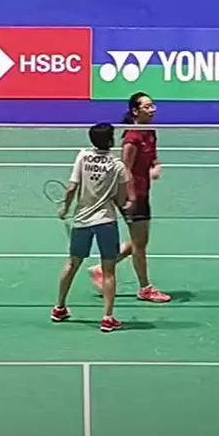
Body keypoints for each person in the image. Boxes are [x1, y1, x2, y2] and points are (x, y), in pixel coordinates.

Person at [88, 92, 171, 303]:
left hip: (143, 191)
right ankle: (145, 288)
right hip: (131, 194)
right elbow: (125, 168)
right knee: (140, 244)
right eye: (147, 107)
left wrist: (155, 167)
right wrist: (131, 197)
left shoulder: (149, 131)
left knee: (138, 241)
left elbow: (153, 157)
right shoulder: (132, 137)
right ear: (135, 111)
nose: (152, 110)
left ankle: (101, 269)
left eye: (152, 106)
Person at [52, 122, 131, 332]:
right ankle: (107, 318)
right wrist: (124, 204)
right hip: (106, 221)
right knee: (108, 271)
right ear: (111, 140)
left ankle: (59, 308)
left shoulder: (82, 156)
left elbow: (71, 188)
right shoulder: (118, 166)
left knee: (72, 263)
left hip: (81, 220)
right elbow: (121, 200)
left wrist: (65, 208)